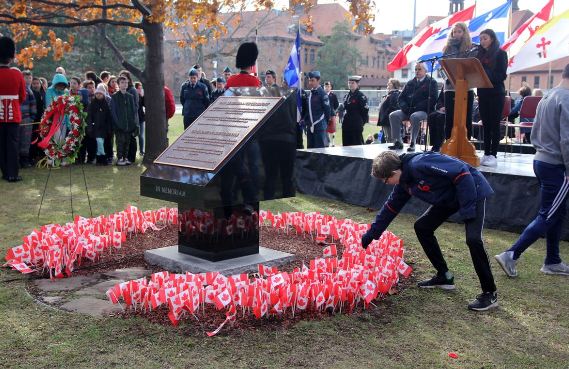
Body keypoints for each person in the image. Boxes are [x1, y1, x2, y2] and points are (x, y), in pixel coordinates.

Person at [361, 151, 498, 311]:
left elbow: (461, 172)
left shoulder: (419, 164)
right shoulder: (404, 182)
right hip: (450, 197)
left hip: (471, 190)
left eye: (385, 180)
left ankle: (490, 293)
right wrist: (371, 235)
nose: (386, 183)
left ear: (393, 173)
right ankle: (444, 276)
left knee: (473, 240)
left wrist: (468, 210)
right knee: (422, 227)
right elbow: (391, 208)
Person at [494, 64, 569, 278]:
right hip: (557, 165)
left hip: (542, 160)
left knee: (556, 211)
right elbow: (567, 139)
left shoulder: (547, 96)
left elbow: (534, 130)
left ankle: (552, 261)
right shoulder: (566, 99)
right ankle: (511, 254)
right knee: (549, 214)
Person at [476, 29, 508, 167]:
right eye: (481, 39)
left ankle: (493, 154)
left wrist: (485, 71)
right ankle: (486, 153)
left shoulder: (501, 53)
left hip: (496, 93)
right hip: (483, 93)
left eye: (485, 38)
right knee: (486, 125)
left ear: (492, 39)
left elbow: (501, 75)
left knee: (494, 125)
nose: (482, 41)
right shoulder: (478, 55)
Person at [388, 62, 438, 152]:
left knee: (414, 116)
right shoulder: (410, 83)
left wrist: (416, 108)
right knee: (393, 115)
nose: (417, 71)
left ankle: (413, 142)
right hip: (408, 110)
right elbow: (401, 98)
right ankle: (397, 142)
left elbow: (433, 99)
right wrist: (404, 107)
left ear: (426, 71)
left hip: (424, 111)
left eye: (419, 69)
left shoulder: (432, 82)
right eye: (415, 69)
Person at [442, 22, 475, 141]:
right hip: (450, 87)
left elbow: (472, 68)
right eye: (454, 32)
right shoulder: (447, 48)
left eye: (459, 31)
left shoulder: (471, 47)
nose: (456, 34)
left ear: (464, 33)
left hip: (466, 87)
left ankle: (465, 145)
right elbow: (443, 67)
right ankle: (449, 144)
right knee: (450, 118)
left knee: (466, 118)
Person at [0, 36, 27, 182]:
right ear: (10, 56)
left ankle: (4, 172)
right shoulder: (17, 74)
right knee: (12, 145)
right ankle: (13, 174)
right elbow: (22, 96)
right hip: (13, 115)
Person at [110, 76, 138, 166]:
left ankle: (125, 157)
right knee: (120, 142)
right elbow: (113, 112)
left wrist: (133, 123)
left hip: (129, 125)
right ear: (118, 84)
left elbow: (133, 111)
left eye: (126, 82)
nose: (124, 84)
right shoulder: (115, 97)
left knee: (127, 142)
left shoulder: (130, 96)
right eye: (122, 82)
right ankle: (120, 158)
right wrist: (118, 123)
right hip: (119, 125)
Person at [86, 84, 113, 165]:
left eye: (100, 93)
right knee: (99, 142)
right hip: (95, 127)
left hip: (104, 128)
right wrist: (90, 127)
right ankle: (102, 157)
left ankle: (100, 159)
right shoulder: (92, 103)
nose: (98, 95)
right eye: (97, 93)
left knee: (103, 143)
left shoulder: (106, 104)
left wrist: (109, 128)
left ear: (103, 94)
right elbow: (89, 116)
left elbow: (109, 117)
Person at [303, 71, 331, 149]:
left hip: (320, 127)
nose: (310, 82)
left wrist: (324, 124)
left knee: (320, 151)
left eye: (312, 80)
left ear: (318, 81)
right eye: (309, 80)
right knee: (310, 149)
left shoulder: (322, 94)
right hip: (310, 126)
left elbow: (327, 111)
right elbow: (308, 110)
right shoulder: (310, 93)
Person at [342, 75, 369, 146]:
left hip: (356, 124)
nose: (350, 85)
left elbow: (365, 111)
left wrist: (361, 123)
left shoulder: (361, 96)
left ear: (357, 84)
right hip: (346, 124)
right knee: (346, 146)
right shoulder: (346, 96)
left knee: (357, 146)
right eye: (349, 83)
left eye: (352, 83)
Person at [19, 70, 36, 168]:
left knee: (26, 140)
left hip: (28, 119)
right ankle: (17, 159)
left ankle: (24, 160)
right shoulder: (20, 89)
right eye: (26, 78)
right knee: (18, 139)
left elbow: (33, 105)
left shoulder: (30, 91)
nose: (28, 80)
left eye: (30, 78)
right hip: (19, 118)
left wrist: (32, 117)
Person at [377, 78, 401, 143]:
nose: (387, 84)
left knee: (390, 138)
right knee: (387, 138)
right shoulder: (390, 94)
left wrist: (385, 114)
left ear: (394, 85)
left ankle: (391, 153)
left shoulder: (395, 94)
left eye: (389, 83)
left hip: (389, 120)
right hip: (386, 120)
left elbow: (393, 107)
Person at [427, 87, 446, 152]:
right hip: (442, 109)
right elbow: (440, 99)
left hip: (452, 110)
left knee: (440, 118)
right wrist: (441, 107)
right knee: (431, 116)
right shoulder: (445, 84)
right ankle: (433, 144)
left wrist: (447, 107)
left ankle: (439, 144)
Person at [323, 81, 339, 147]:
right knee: (324, 129)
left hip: (332, 114)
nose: (327, 88)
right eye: (325, 86)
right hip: (323, 115)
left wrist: (332, 110)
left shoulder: (333, 95)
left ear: (330, 87)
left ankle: (333, 143)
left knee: (332, 130)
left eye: (328, 86)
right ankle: (326, 143)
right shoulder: (322, 95)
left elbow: (336, 105)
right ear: (324, 87)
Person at [135, 82, 145, 156]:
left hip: (141, 117)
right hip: (135, 118)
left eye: (141, 88)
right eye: (139, 88)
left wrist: (143, 96)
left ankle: (141, 151)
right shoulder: (133, 96)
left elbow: (145, 104)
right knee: (134, 135)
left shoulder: (141, 96)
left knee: (141, 135)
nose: (140, 90)